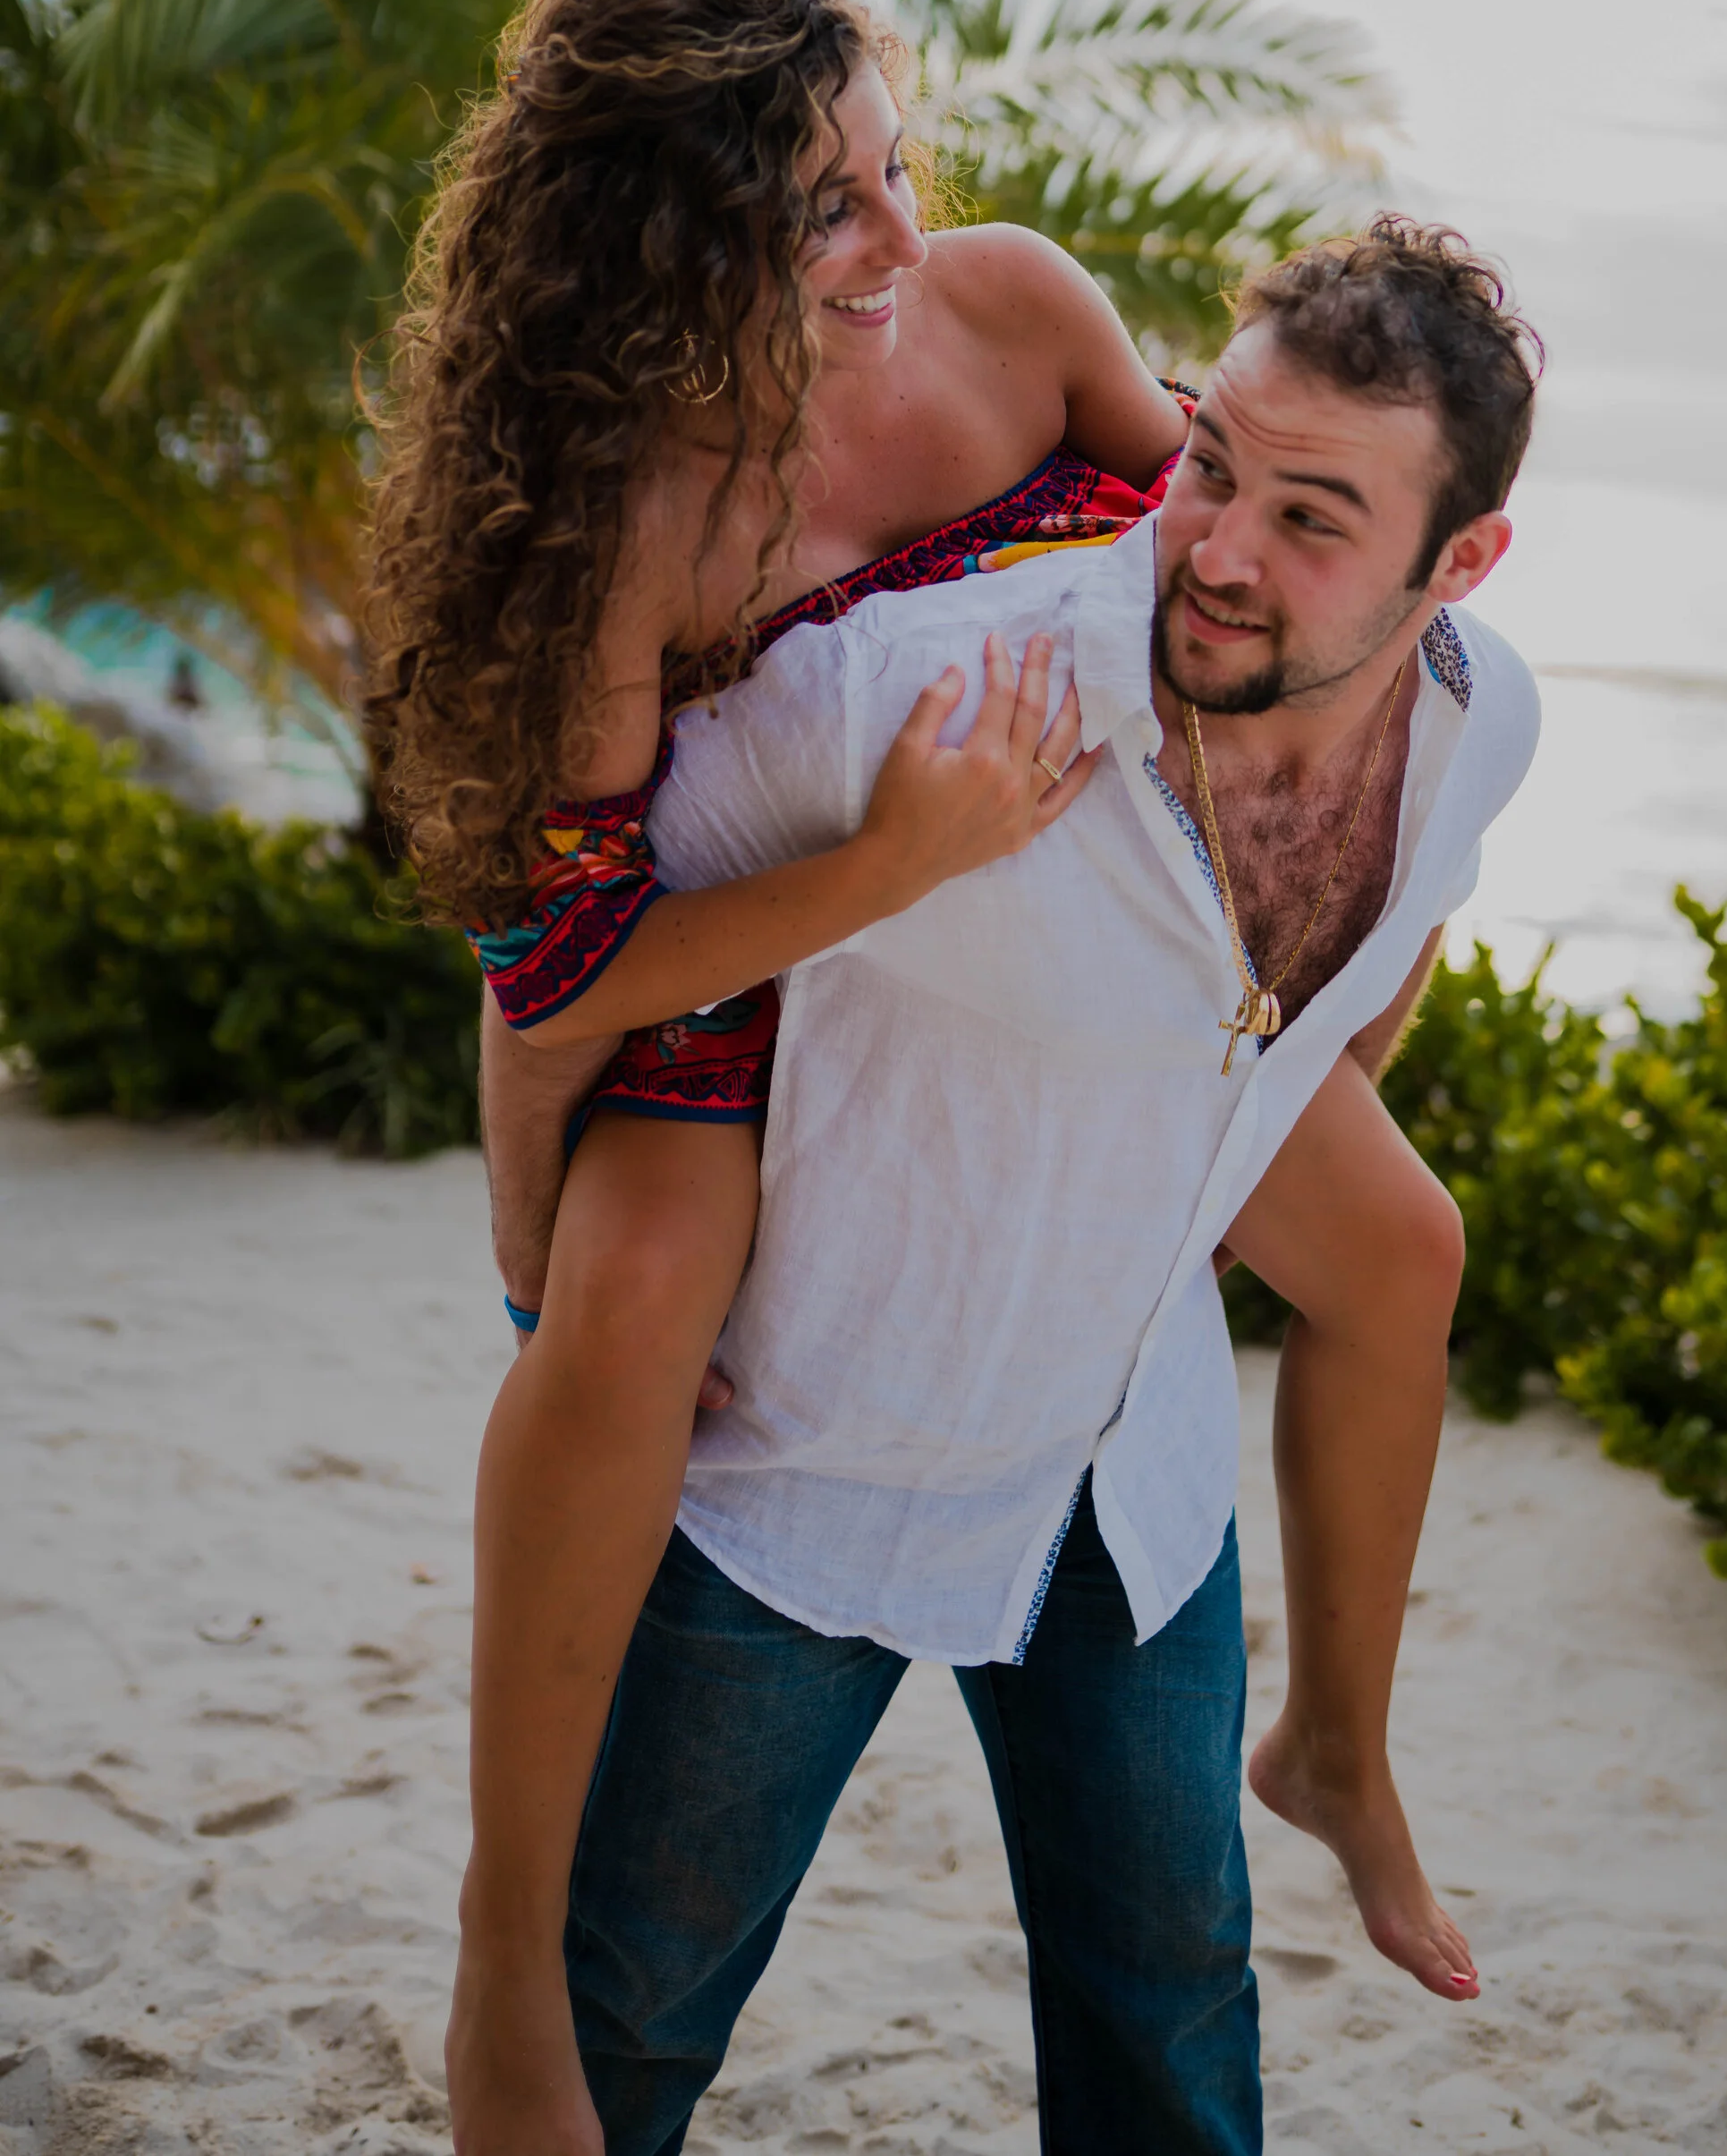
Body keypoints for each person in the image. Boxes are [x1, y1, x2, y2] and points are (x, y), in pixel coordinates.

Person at [554, 219, 1540, 2156]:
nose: (1224, 546)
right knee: (629, 2021)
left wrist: (1256, 1100)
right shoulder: (928, 697)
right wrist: (561, 1290)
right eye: (1212, 462)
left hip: (1129, 1471)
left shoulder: (1476, 717)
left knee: (1168, 2029)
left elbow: (1371, 961)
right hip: (810, 1473)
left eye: (1314, 517)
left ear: (1462, 561)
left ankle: (1331, 1745)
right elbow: (572, 960)